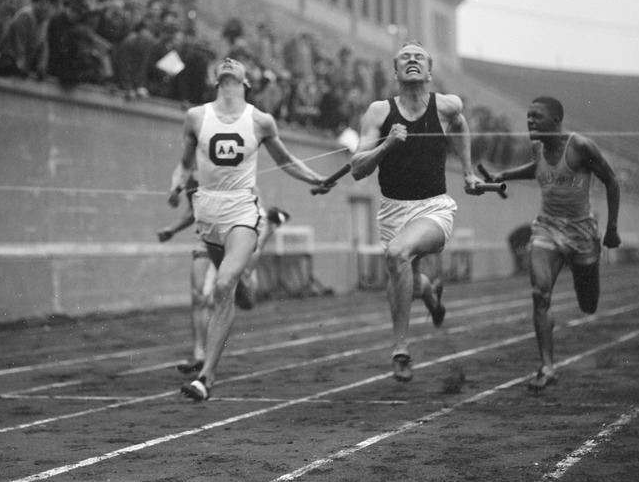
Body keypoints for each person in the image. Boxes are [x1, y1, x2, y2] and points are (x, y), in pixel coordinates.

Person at [169, 57, 336, 401]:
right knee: (236, 290)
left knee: (224, 283)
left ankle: (206, 377)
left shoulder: (260, 120)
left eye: (236, 64)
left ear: (247, 83)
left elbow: (286, 160)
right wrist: (176, 186)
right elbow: (184, 165)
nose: (229, 63)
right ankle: (247, 284)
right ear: (215, 79)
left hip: (241, 209)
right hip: (207, 213)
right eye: (223, 64)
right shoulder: (196, 117)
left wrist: (316, 179)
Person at [350, 41, 480, 383]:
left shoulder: (447, 106)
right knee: (405, 271)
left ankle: (400, 349)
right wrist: (387, 144)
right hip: (393, 211)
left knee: (397, 254)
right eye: (404, 57)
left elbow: (461, 127)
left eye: (418, 57)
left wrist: (467, 171)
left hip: (434, 208)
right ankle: (431, 295)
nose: (411, 60)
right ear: (395, 71)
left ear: (429, 70)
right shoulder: (379, 112)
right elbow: (357, 168)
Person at [480, 96, 621, 393]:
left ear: (556, 121)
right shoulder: (538, 147)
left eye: (536, 116)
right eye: (528, 116)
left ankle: (551, 353)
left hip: (582, 233)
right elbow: (538, 168)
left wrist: (611, 229)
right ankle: (547, 366)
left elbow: (611, 180)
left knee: (588, 305)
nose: (529, 120)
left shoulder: (580, 147)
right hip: (547, 229)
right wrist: (503, 175)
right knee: (539, 294)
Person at [158, 174, 291, 373]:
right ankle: (198, 355)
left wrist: (262, 231)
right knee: (198, 295)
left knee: (246, 299)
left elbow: (254, 213)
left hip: (235, 231)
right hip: (205, 233)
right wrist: (172, 230)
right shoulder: (193, 177)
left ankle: (271, 228)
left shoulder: (238, 171)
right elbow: (192, 211)